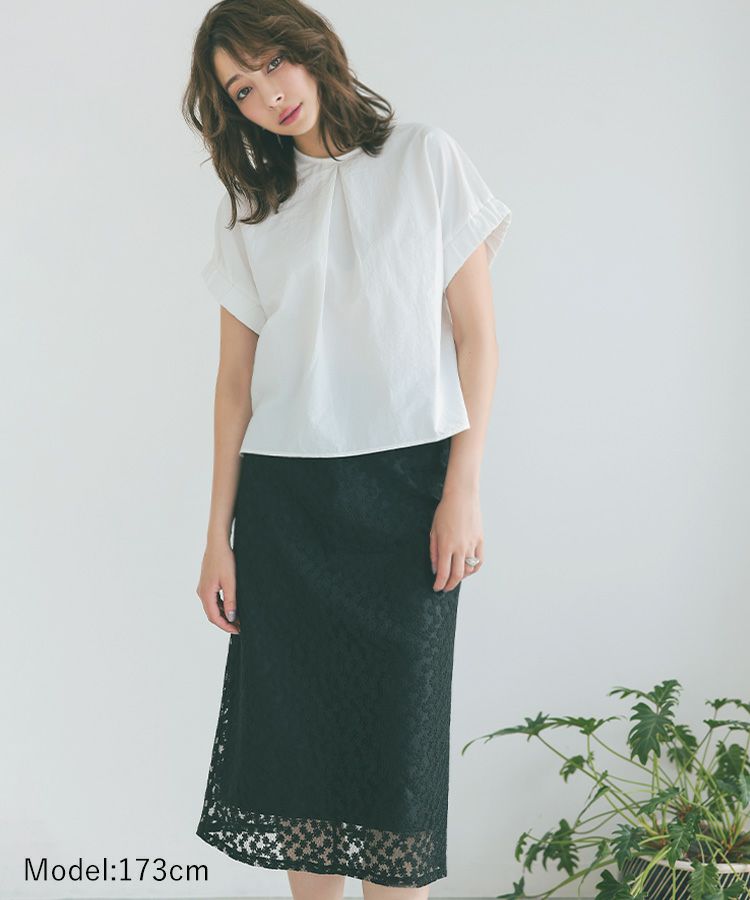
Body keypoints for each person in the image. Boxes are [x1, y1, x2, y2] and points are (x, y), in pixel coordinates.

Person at [182, 1, 512, 897]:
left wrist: (462, 488)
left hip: (408, 497)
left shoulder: (425, 157)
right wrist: (217, 537)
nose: (268, 96)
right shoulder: (251, 209)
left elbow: (477, 339)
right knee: (305, 779)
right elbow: (235, 386)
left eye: (272, 64)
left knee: (396, 787)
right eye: (240, 91)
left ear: (310, 48)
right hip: (287, 511)